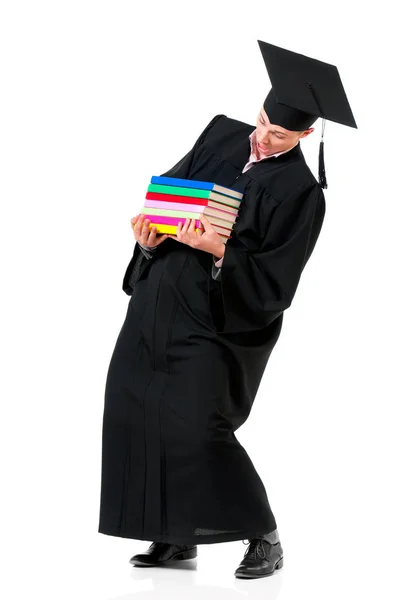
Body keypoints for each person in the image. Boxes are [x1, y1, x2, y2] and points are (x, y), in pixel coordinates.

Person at [98, 40, 357, 579]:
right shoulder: (220, 132)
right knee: (135, 407)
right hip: (157, 302)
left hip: (217, 321)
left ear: (306, 135)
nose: (262, 137)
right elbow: (166, 196)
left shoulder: (302, 193)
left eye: (279, 133)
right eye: (261, 121)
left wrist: (218, 248)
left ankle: (264, 535)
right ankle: (172, 537)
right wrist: (148, 240)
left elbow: (276, 280)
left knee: (197, 425)